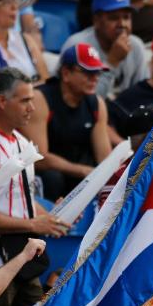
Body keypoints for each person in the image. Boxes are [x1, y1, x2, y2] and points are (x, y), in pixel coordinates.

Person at [0, 67, 70, 306]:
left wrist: (52, 218)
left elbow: (23, 201)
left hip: (22, 259)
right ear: (2, 101)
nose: (32, 108)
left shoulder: (20, 141)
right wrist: (33, 225)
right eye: (25, 101)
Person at [24, 43, 111, 201]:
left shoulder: (97, 104)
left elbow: (105, 158)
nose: (95, 78)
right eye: (87, 72)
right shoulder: (40, 99)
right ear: (65, 73)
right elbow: (39, 157)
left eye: (97, 72)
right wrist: (83, 171)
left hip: (77, 173)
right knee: (53, 178)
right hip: (47, 175)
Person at [63, 0, 150, 100]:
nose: (122, 24)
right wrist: (112, 63)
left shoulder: (136, 45)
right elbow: (84, 103)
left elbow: (142, 95)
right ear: (96, 21)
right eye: (113, 18)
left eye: (126, 17)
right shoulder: (78, 46)